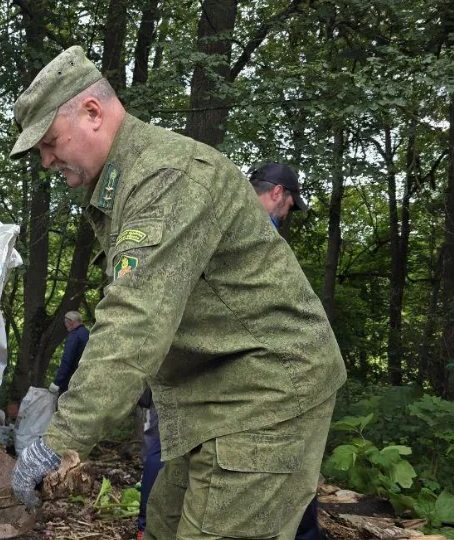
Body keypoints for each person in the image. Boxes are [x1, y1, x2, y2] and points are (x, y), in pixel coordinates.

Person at [8, 46, 346, 540]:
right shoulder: (124, 182)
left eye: (50, 142)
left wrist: (62, 440)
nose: (45, 159)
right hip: (212, 398)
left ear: (93, 113)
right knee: (163, 524)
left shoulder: (166, 176)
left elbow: (135, 320)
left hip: (266, 394)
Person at [134, 161, 322, 539]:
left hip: (185, 358)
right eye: (288, 206)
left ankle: (148, 528)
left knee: (171, 449)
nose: (286, 216)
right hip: (228, 371)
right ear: (278, 194)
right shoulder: (256, 233)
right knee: (265, 460)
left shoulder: (211, 213)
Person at [249, 162, 308, 229]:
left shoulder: (237, 212)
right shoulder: (261, 232)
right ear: (277, 192)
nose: (286, 214)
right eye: (289, 205)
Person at [49, 311, 89, 395]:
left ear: (70, 322)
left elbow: (67, 360)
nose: (65, 326)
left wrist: (57, 382)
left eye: (65, 323)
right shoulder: (88, 333)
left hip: (72, 381)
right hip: (87, 378)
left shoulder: (74, 335)